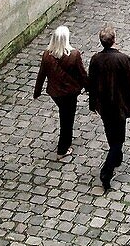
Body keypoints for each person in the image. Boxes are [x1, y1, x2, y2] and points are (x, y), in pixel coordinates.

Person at [88, 26, 130, 192]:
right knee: (119, 140)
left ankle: (117, 158)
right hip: (119, 105)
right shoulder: (123, 59)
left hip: (104, 106)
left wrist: (93, 104)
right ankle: (107, 170)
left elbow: (92, 83)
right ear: (114, 40)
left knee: (111, 134)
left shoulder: (96, 59)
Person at [33, 26, 89, 158]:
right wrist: (90, 88)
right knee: (67, 119)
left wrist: (37, 91)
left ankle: (65, 143)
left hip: (55, 93)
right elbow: (82, 74)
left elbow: (41, 74)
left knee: (65, 115)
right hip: (70, 93)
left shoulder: (47, 55)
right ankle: (63, 149)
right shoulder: (74, 55)